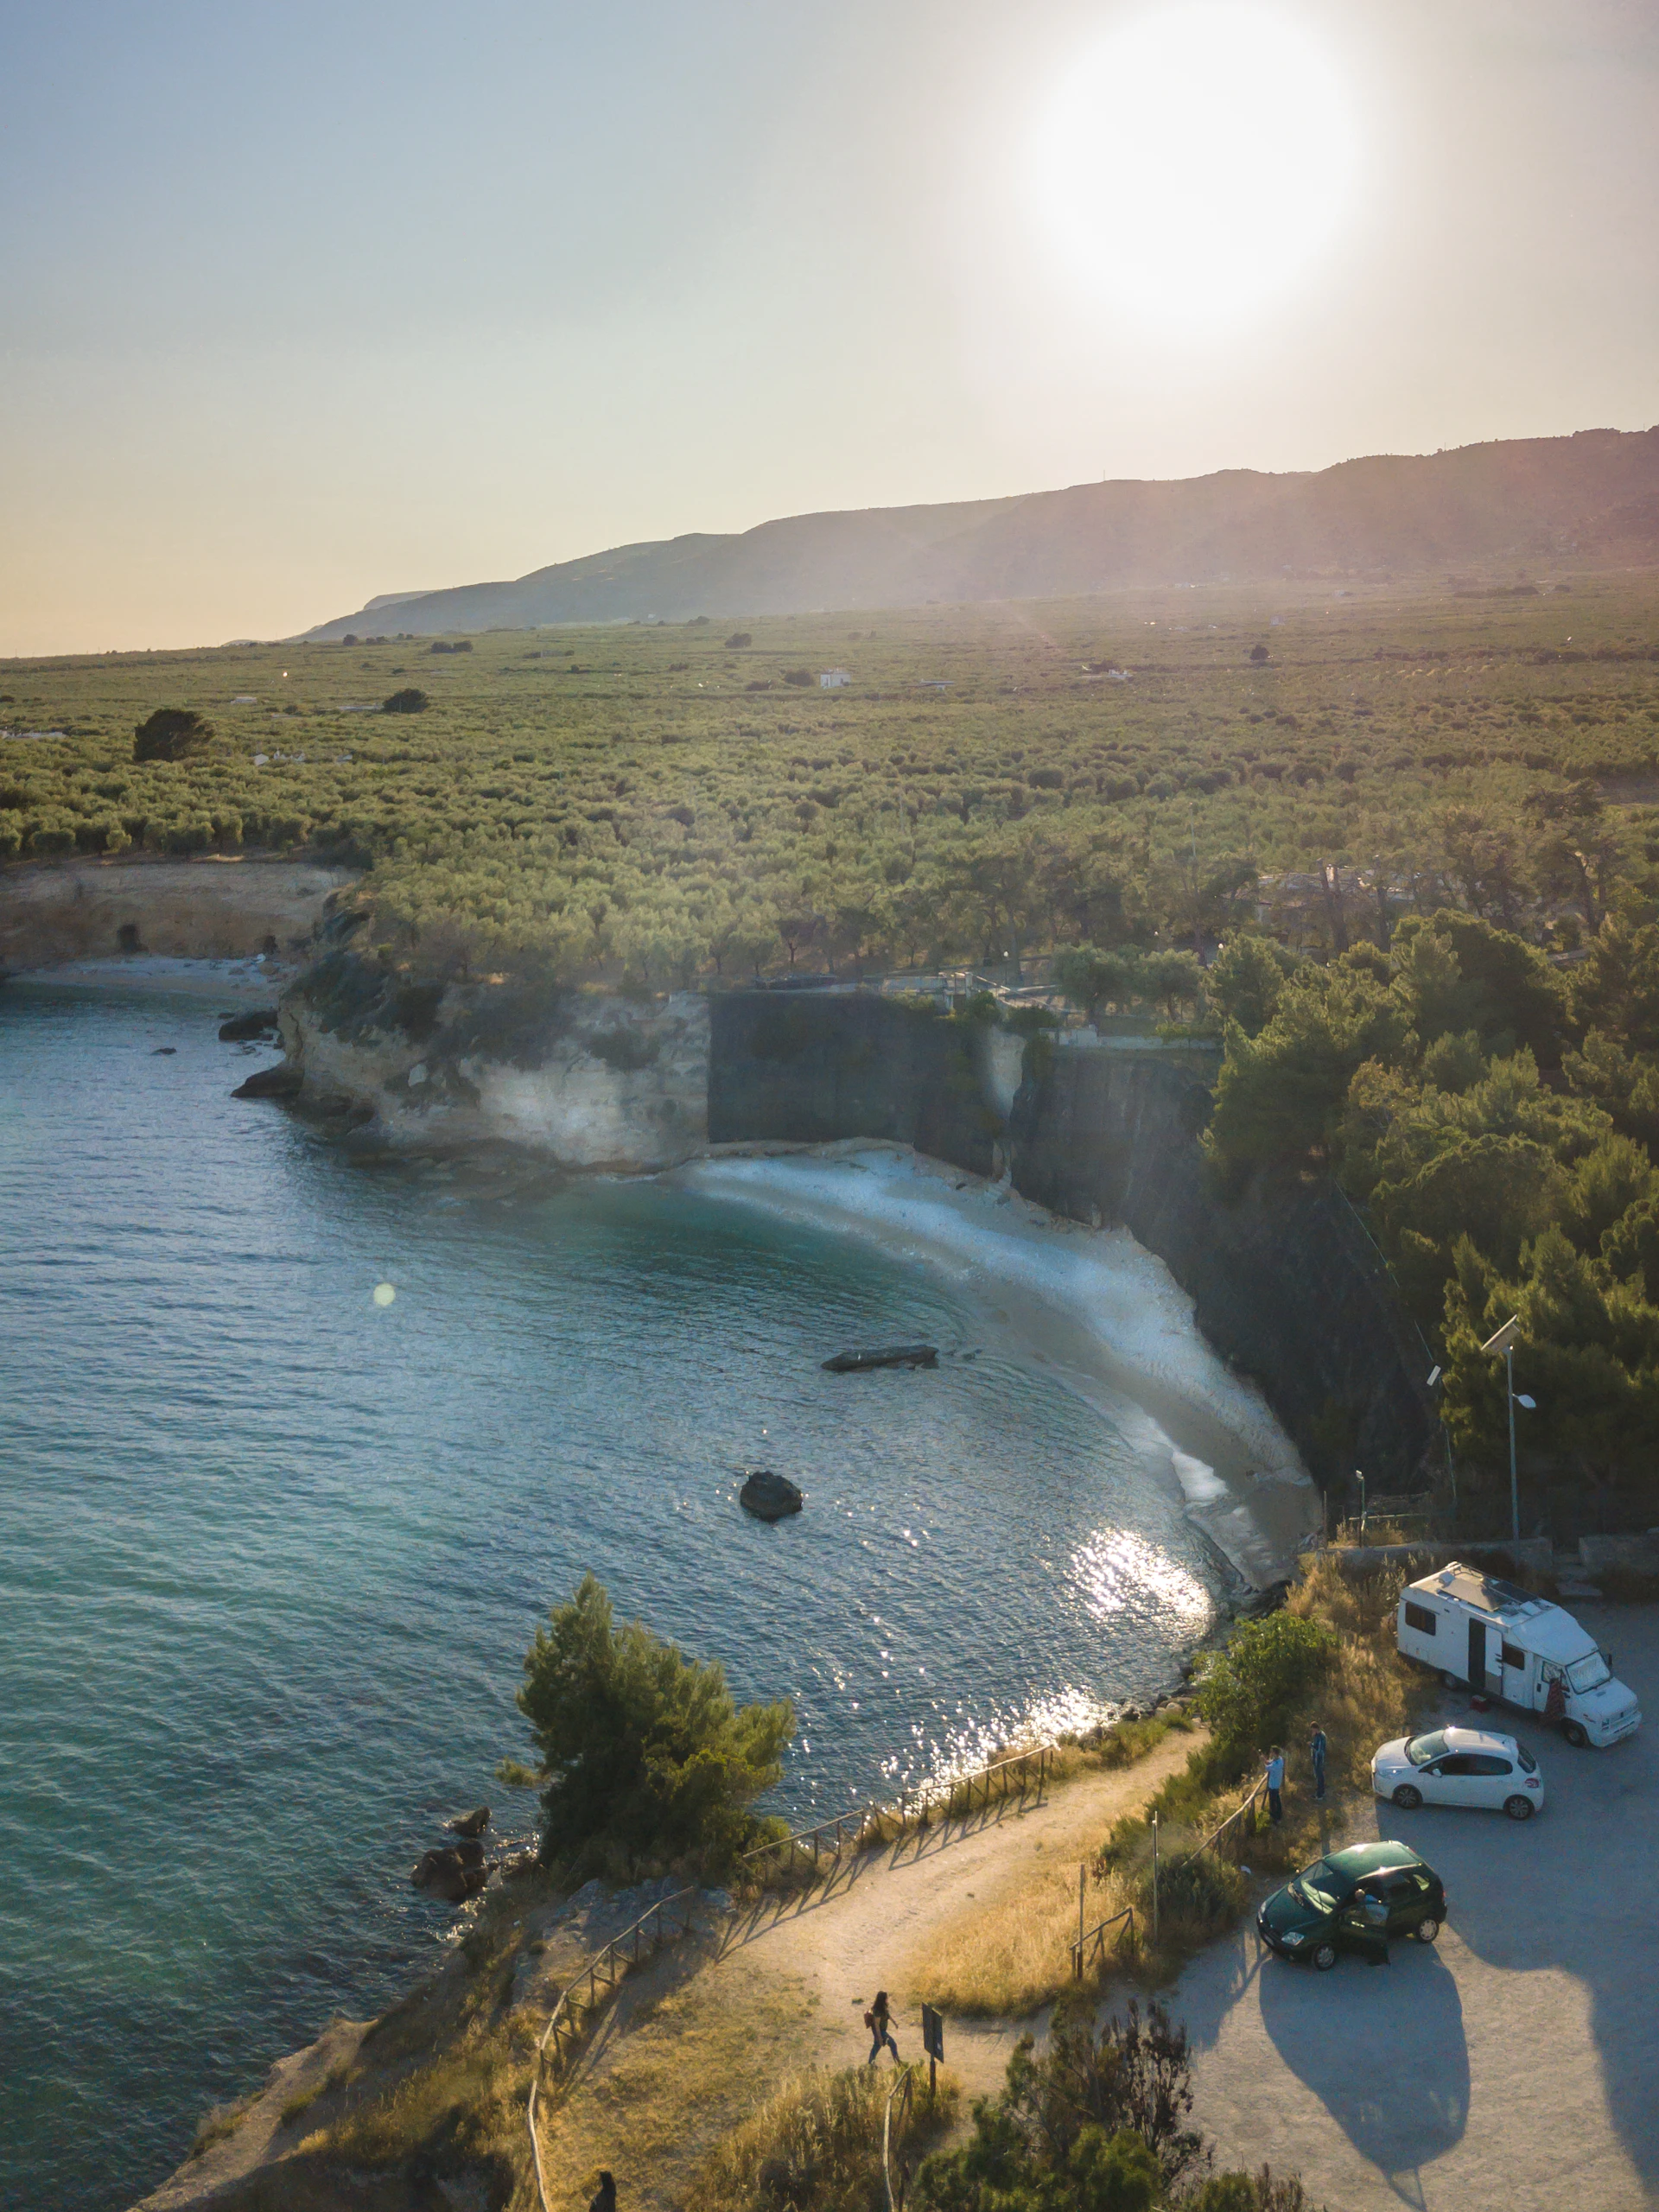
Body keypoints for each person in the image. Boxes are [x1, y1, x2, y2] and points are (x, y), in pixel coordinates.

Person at [864, 1989, 899, 2065]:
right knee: (892, 2044)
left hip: (882, 2031)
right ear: (883, 2000)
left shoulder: (883, 2008)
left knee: (877, 2047)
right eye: (886, 1998)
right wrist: (879, 2037)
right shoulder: (878, 2011)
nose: (887, 2000)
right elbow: (876, 2025)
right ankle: (898, 2063)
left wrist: (895, 2023)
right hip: (880, 2032)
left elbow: (888, 2016)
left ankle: (870, 2063)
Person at [1265, 1745, 1286, 1825]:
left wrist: (1264, 1761)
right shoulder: (1279, 1759)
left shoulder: (1276, 1764)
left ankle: (1275, 1818)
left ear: (1274, 1753)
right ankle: (1278, 1816)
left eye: (1271, 1752)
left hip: (1273, 1785)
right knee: (1277, 1800)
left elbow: (1267, 1767)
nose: (1270, 1753)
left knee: (1273, 1802)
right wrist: (1266, 1761)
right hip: (1276, 1784)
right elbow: (1270, 1762)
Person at [1309, 1723, 1328, 1804]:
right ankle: (1321, 1792)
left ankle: (1319, 1795)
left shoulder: (1320, 1737)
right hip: (1317, 1759)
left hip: (1319, 1759)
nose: (1312, 1731)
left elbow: (1319, 1750)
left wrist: (1311, 1745)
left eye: (1312, 1729)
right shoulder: (1318, 1736)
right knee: (1320, 1776)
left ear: (1315, 1728)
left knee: (1319, 1776)